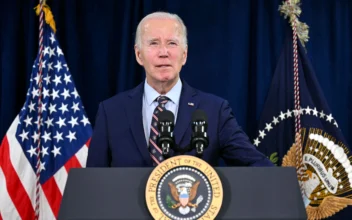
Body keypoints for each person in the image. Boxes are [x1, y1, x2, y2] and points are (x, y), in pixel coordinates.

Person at [86, 11, 273, 167]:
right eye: (153, 43)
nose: (163, 52)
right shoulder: (111, 112)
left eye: (172, 43)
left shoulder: (214, 111)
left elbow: (255, 165)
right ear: (138, 55)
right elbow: (94, 184)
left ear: (184, 55)